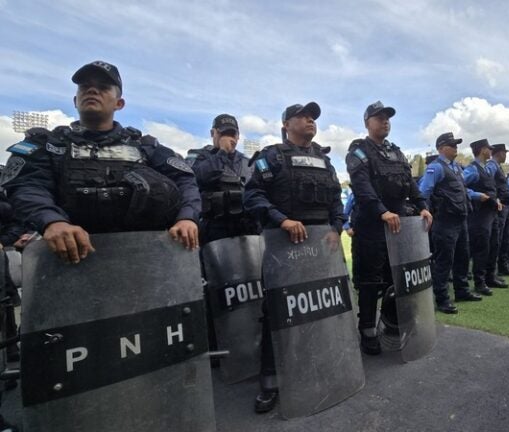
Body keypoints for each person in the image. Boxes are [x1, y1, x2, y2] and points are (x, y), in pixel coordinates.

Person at [2, 60, 200, 263]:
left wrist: (186, 217)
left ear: (119, 103)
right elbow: (27, 187)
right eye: (85, 87)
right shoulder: (48, 145)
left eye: (103, 87)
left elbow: (185, 180)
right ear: (75, 99)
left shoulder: (147, 147)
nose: (92, 91)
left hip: (142, 260)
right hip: (69, 262)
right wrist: (51, 222)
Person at [244, 101, 345, 413]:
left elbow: (336, 199)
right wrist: (280, 220)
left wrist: (336, 227)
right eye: (303, 116)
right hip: (284, 248)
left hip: (321, 249)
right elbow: (252, 195)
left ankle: (317, 364)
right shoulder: (271, 156)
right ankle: (270, 380)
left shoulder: (324, 161)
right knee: (277, 310)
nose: (310, 120)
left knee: (321, 307)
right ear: (286, 124)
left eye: (313, 117)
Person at [345, 101, 432, 356]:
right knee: (370, 281)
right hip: (372, 224)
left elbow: (410, 183)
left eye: (387, 118)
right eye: (379, 117)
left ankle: (395, 323)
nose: (385, 121)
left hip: (399, 225)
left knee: (397, 278)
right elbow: (362, 186)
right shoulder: (358, 150)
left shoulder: (396, 152)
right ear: (367, 123)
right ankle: (368, 330)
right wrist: (382, 211)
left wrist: (422, 205)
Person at [419, 133, 482, 314]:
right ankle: (442, 299)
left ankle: (462, 291)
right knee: (443, 261)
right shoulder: (435, 168)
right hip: (445, 221)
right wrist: (425, 211)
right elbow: (424, 191)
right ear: (441, 148)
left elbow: (463, 191)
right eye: (452, 145)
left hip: (460, 219)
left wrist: (478, 196)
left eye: (456, 145)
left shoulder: (456, 168)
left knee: (462, 257)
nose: (456, 148)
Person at [192, 114, 256, 245]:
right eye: (223, 134)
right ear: (213, 133)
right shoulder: (198, 156)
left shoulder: (248, 162)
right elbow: (198, 178)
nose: (228, 138)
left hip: (247, 229)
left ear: (238, 136)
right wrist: (222, 152)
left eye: (232, 134)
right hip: (214, 228)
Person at [463, 139, 501, 295]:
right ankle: (479, 282)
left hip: (491, 213)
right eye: (488, 148)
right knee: (481, 249)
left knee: (493, 245)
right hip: (479, 215)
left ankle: (490, 277)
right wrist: (475, 195)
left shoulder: (484, 168)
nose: (490, 151)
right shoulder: (472, 169)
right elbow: (460, 186)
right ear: (481, 150)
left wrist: (496, 199)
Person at [485, 144, 509, 288]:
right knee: (495, 241)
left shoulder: (497, 166)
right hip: (498, 207)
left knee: (502, 240)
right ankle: (490, 274)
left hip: (504, 207)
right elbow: (488, 182)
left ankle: (497, 270)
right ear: (499, 153)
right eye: (504, 152)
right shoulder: (492, 166)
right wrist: (495, 198)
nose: (505, 155)